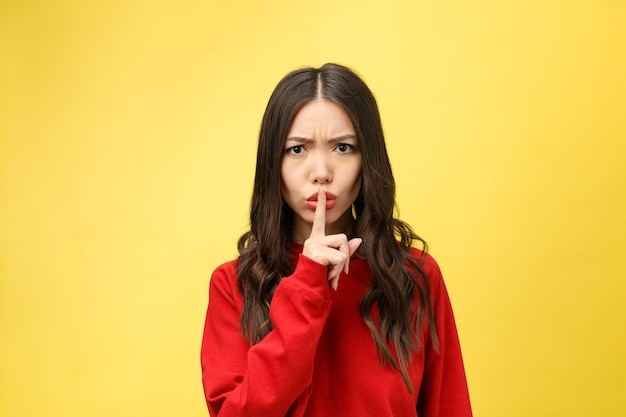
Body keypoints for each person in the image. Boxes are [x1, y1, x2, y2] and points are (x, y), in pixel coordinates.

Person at [200, 63, 472, 417]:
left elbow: (448, 408)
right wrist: (307, 284)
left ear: (367, 160)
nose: (321, 173)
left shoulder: (415, 277)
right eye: (297, 150)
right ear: (274, 162)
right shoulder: (233, 285)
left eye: (343, 148)